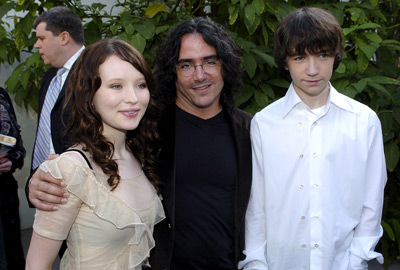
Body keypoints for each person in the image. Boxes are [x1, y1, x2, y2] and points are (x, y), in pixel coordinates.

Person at [28, 17, 253, 270]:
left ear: (226, 65)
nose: (199, 75)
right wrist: (38, 182)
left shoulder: (251, 132)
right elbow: (82, 167)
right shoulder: (147, 129)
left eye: (210, 61)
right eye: (186, 65)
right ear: (173, 71)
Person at [238, 7, 387, 270]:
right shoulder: (264, 123)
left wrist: (356, 260)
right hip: (279, 263)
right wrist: (256, 263)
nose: (312, 69)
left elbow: (371, 201)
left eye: (322, 55)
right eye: (299, 58)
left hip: (343, 263)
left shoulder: (363, 121)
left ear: (336, 56)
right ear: (285, 61)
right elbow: (256, 205)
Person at [25, 38, 165, 269]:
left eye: (141, 85)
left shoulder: (141, 156)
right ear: (89, 94)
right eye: (116, 86)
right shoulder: (70, 168)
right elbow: (36, 263)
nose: (133, 98)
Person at [27, 6, 85, 192]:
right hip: (49, 183)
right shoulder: (50, 76)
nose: (36, 45)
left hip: (82, 185)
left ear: (63, 37)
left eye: (42, 38)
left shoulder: (95, 71)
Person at [0, 87, 26, 270]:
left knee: (8, 258)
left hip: (4, 193)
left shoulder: (1, 95)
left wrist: (12, 159)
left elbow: (17, 145)